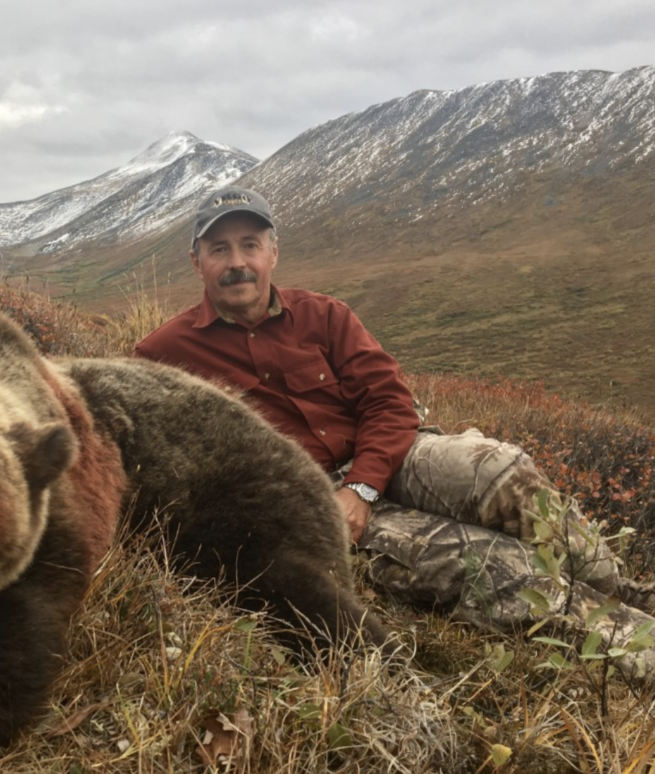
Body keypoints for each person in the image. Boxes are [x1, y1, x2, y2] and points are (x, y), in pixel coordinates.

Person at [135, 185, 655, 666]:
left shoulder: (325, 316)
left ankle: (623, 591)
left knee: (503, 469)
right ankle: (637, 645)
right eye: (219, 249)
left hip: (391, 454)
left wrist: (363, 485)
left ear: (273, 252)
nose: (237, 263)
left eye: (249, 245)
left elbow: (389, 400)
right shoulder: (161, 357)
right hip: (306, 499)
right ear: (196, 262)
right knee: (488, 564)